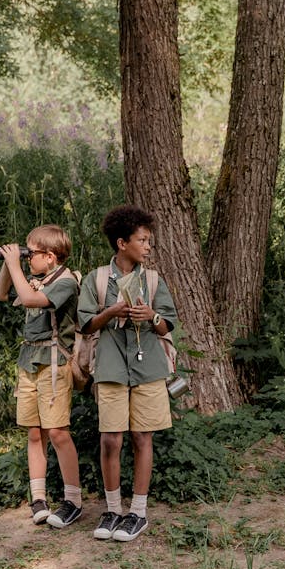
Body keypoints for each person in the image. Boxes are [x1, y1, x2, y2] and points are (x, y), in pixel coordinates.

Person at [78, 205, 177, 542]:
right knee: (111, 438)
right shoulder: (97, 279)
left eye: (149, 241)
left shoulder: (152, 280)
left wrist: (150, 316)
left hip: (148, 364)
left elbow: (167, 325)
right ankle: (111, 510)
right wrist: (113, 311)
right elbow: (86, 323)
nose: (148, 246)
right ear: (122, 243)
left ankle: (137, 512)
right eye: (142, 240)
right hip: (110, 364)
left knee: (141, 437)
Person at [0, 225, 83, 529]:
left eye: (31, 254)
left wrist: (14, 264)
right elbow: (2, 294)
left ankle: (73, 500)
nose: (27, 258)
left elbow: (32, 301)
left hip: (55, 364)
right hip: (29, 361)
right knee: (34, 433)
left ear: (50, 256)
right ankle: (39, 498)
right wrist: (11, 262)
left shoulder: (66, 282)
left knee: (57, 432)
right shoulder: (36, 278)